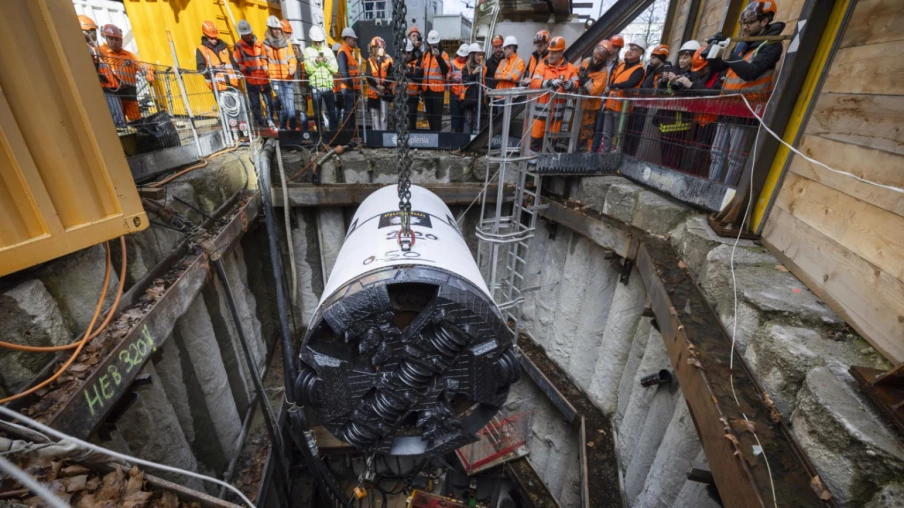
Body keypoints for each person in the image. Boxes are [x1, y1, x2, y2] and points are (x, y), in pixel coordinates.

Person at [706, 0, 785, 183]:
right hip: (727, 106)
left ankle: (726, 195)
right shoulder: (742, 44)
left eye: (749, 23)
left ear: (764, 22)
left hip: (747, 108)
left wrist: (727, 53)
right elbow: (719, 67)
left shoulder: (772, 45)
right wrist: (711, 52)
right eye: (743, 23)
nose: (745, 27)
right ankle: (710, 188)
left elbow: (751, 73)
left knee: (735, 159)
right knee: (716, 153)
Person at [528, 36, 578, 153]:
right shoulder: (542, 66)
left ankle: (546, 165)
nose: (550, 55)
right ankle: (532, 164)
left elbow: (576, 83)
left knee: (552, 140)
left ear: (562, 53)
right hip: (541, 111)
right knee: (536, 138)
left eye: (554, 53)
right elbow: (534, 83)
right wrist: (548, 83)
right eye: (550, 51)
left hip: (557, 114)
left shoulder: (570, 68)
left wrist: (571, 85)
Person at [655, 41, 700, 169]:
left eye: (686, 57)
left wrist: (679, 84)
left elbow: (692, 97)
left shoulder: (694, 76)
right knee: (664, 153)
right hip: (666, 120)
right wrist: (663, 82)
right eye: (681, 57)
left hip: (681, 124)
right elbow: (660, 93)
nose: (682, 60)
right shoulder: (671, 71)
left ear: (694, 58)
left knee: (676, 155)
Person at [595, 38, 645, 153]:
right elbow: (613, 80)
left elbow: (631, 83)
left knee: (618, 136)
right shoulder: (622, 66)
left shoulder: (639, 69)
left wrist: (613, 87)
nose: (631, 51)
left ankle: (614, 158)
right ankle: (604, 158)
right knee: (606, 134)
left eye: (635, 49)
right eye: (631, 48)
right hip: (610, 104)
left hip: (622, 108)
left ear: (641, 53)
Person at [99, 24, 154, 123]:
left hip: (130, 94)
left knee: (137, 122)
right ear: (105, 38)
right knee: (119, 122)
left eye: (117, 39)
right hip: (114, 95)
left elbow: (143, 65)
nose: (114, 42)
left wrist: (149, 70)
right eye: (111, 39)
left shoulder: (129, 55)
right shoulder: (101, 52)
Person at [234, 19, 274, 129]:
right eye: (245, 35)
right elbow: (237, 61)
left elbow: (265, 58)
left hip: (263, 78)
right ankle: (259, 123)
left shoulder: (259, 44)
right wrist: (245, 69)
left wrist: (267, 71)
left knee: (269, 102)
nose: (248, 36)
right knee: (255, 104)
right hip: (251, 80)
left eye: (249, 34)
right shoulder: (239, 46)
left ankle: (271, 120)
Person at [577, 41, 611, 152]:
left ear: (604, 59)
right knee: (574, 129)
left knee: (586, 133)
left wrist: (585, 81)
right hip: (578, 104)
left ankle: (585, 155)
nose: (596, 61)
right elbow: (575, 73)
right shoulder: (586, 61)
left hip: (590, 108)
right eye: (595, 58)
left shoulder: (603, 72)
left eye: (599, 60)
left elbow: (594, 91)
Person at [304, 26, 339, 132]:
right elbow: (308, 70)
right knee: (317, 113)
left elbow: (335, 69)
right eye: (316, 41)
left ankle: (333, 133)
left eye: (319, 41)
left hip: (328, 86)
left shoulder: (328, 51)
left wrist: (326, 61)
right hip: (316, 86)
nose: (318, 43)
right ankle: (320, 134)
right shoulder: (308, 51)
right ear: (312, 40)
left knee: (332, 112)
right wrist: (316, 61)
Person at [196, 21, 239, 95]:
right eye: (211, 38)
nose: (214, 40)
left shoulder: (224, 47)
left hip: (233, 85)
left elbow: (233, 63)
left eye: (215, 37)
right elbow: (200, 68)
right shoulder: (201, 49)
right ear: (205, 35)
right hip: (218, 88)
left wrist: (238, 73)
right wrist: (214, 68)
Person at [281, 20, 309, 131]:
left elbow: (301, 59)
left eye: (289, 33)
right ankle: (289, 128)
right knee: (288, 107)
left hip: (295, 82)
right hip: (284, 81)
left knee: (300, 108)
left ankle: (302, 130)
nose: (289, 35)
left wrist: (296, 49)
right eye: (286, 32)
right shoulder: (279, 47)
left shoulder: (292, 46)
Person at [421, 30, 449, 131]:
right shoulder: (426, 54)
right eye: (431, 44)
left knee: (437, 116)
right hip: (427, 90)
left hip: (438, 91)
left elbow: (446, 70)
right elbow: (423, 71)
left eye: (435, 43)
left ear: (438, 42)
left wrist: (438, 58)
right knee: (430, 115)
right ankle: (432, 134)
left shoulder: (444, 54)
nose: (433, 45)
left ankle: (437, 135)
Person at [365, 37, 393, 130]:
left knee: (384, 117)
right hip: (373, 94)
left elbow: (391, 75)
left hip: (384, 93)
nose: (378, 49)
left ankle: (383, 135)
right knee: (375, 117)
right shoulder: (369, 61)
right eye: (376, 47)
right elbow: (368, 76)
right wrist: (377, 86)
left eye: (380, 47)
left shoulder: (388, 60)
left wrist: (383, 86)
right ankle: (376, 136)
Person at [337, 27, 362, 130]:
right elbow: (344, 72)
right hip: (348, 89)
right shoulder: (343, 52)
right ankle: (346, 134)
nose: (355, 41)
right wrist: (352, 85)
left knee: (352, 113)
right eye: (353, 39)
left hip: (352, 89)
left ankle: (351, 134)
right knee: (349, 112)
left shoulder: (350, 52)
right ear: (347, 39)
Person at [462, 43, 486, 133]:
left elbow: (484, 81)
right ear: (472, 55)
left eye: (480, 55)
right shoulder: (466, 68)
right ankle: (465, 142)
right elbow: (465, 82)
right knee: (468, 121)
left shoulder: (483, 68)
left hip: (479, 98)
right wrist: (474, 73)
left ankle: (476, 141)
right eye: (477, 54)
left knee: (478, 121)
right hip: (469, 99)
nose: (479, 57)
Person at [449, 44, 469, 132]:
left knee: (462, 117)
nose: (461, 57)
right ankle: (454, 133)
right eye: (460, 55)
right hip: (454, 93)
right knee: (455, 115)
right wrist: (453, 79)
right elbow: (448, 76)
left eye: (463, 56)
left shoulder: (468, 65)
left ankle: (460, 134)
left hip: (464, 94)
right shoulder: (452, 63)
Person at [404, 39, 424, 130]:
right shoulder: (398, 63)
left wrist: (407, 73)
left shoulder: (417, 62)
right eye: (405, 53)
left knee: (412, 121)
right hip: (401, 97)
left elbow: (418, 76)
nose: (407, 55)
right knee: (400, 120)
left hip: (413, 97)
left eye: (409, 53)